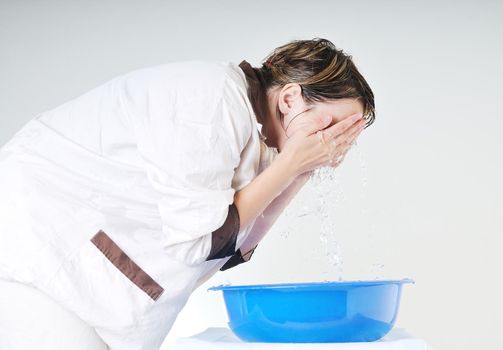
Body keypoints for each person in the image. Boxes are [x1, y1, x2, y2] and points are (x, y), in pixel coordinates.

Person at [0, 38, 375, 349]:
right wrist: (290, 165)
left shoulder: (262, 144)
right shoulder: (210, 100)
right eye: (331, 126)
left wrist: (298, 172)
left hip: (83, 282)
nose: (333, 142)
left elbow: (234, 247)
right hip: (37, 247)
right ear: (290, 99)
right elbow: (201, 242)